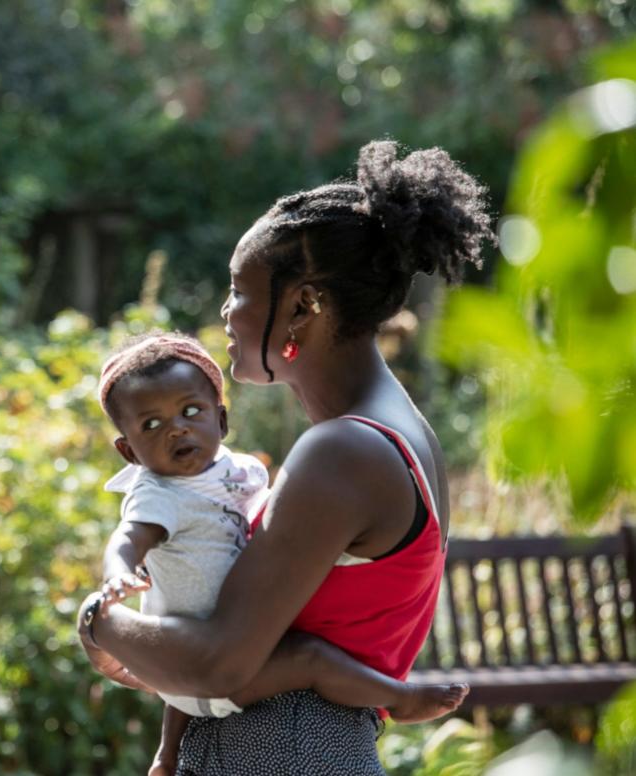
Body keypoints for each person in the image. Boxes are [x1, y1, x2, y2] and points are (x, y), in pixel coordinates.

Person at [78, 140, 492, 776]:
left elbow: (219, 663)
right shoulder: (397, 433)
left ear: (302, 306)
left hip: (283, 750)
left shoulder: (344, 450)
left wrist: (98, 625)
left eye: (239, 290)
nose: (225, 312)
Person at [90, 332, 467, 774]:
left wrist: (96, 628)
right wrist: (114, 580)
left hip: (219, 658)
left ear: (222, 420)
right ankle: (399, 697)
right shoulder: (156, 493)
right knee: (308, 658)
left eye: (192, 411)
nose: (177, 428)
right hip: (207, 661)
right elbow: (128, 537)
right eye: (151, 425)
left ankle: (167, 754)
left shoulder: (240, 472)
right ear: (128, 450)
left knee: (224, 643)